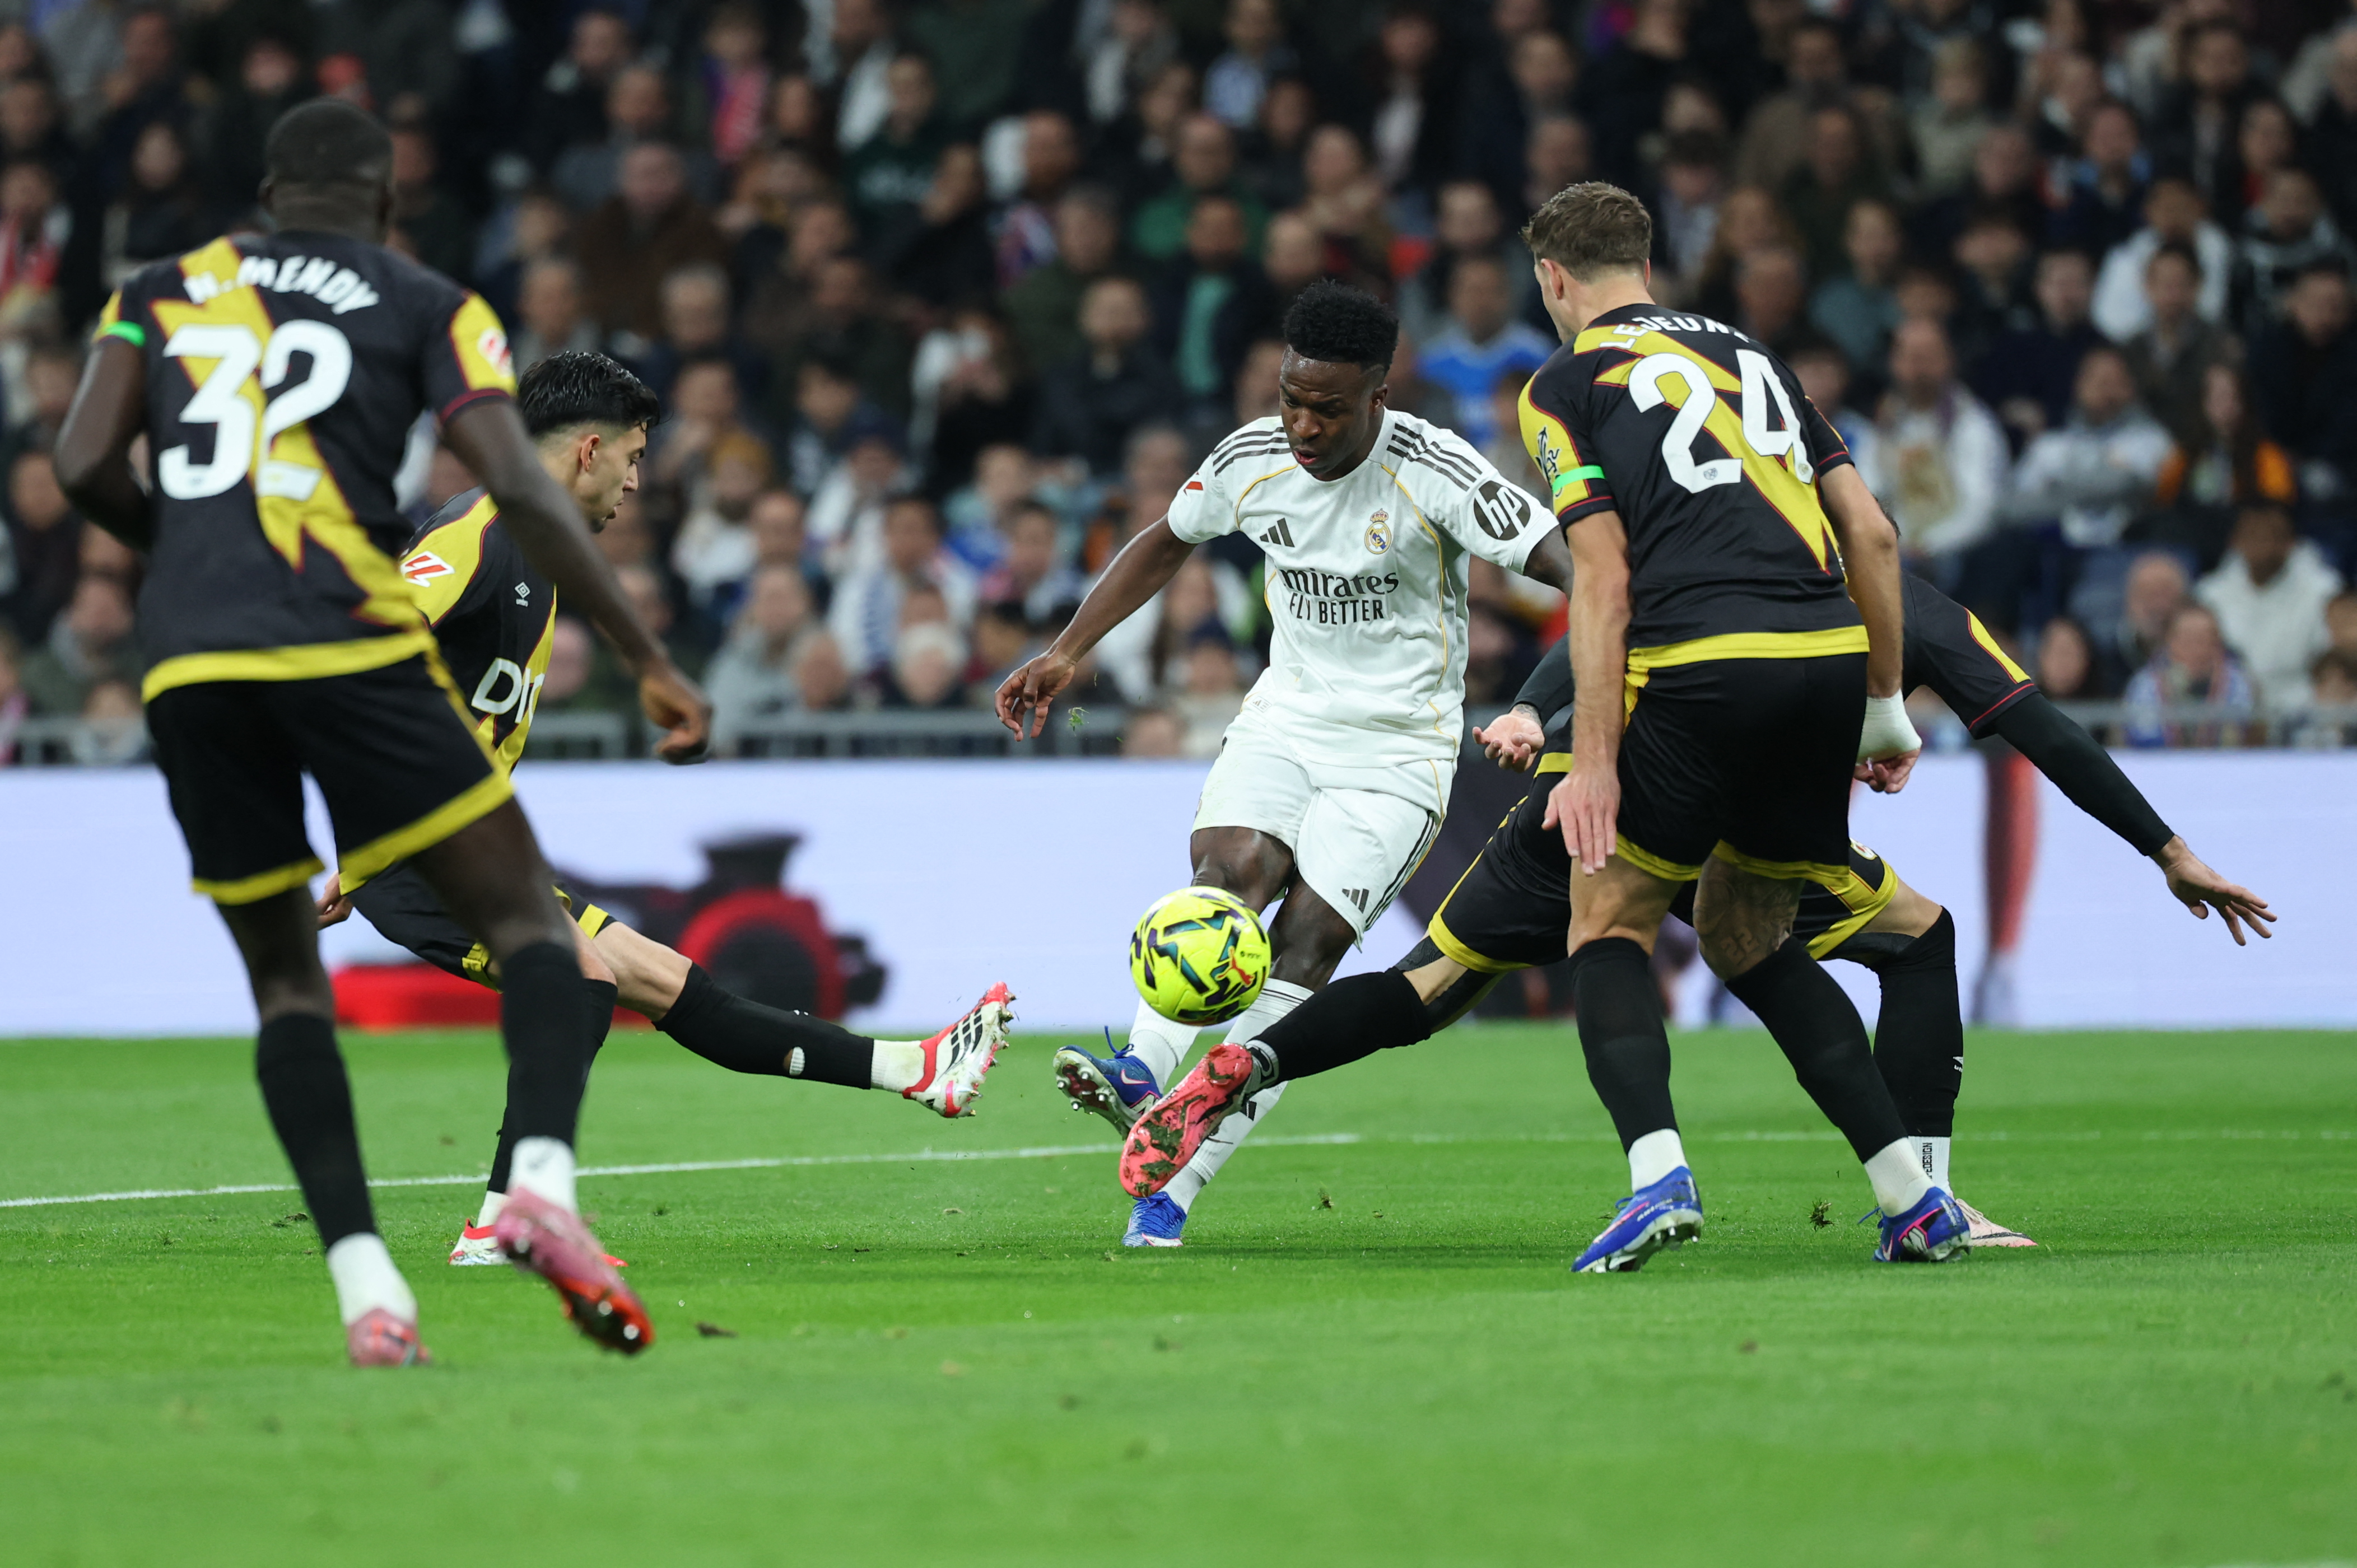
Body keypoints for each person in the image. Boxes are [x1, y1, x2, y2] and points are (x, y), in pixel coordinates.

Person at [1124, 182, 1953, 1268]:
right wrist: (1885, 706)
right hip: (1820, 666)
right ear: (1644, 260)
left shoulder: (1565, 381)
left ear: (1551, 278)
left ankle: (1654, 1178)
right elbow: (1872, 535)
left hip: (1693, 676)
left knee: (1600, 923)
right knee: (1748, 937)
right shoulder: (1755, 359)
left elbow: (1601, 577)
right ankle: (1911, 1195)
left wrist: (1590, 757)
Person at [52, 101, 711, 1366]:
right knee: (533, 923)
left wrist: (190, 558)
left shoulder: (158, 290)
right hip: (341, 634)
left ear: (266, 187)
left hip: (192, 657)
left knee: (287, 985)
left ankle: (370, 1292)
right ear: (385, 202)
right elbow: (520, 483)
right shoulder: (427, 301)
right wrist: (647, 656)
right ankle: (540, 1200)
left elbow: (81, 464)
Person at [1146, 568, 2272, 1249]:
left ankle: (1248, 1063)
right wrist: (2165, 849)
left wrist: (1538, 721)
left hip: (1574, 799)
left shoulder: (1688, 554)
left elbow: (1600, 605)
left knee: (1429, 988)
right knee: (1903, 941)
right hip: (1719, 823)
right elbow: (2041, 730)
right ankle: (1919, 1194)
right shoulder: (1893, 599)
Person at [322, 354, 1009, 1264]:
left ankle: (915, 1072)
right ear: (589, 450)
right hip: (430, 846)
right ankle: (510, 1218)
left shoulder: (538, 545)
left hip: (463, 844)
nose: (638, 481)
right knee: (580, 981)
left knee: (659, 978)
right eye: (636, 458)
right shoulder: (476, 536)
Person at [995, 281, 1577, 1248]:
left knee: (1305, 953)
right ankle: (1144, 1072)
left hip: (1397, 749)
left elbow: (1574, 566)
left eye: (1328, 408)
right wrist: (1068, 650)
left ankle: (1174, 1184)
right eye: (1290, 399)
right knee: (1227, 877)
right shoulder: (1253, 457)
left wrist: (1544, 700)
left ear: (1379, 396)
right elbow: (1164, 541)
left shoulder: (1435, 470)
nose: (1304, 424)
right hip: (1284, 719)